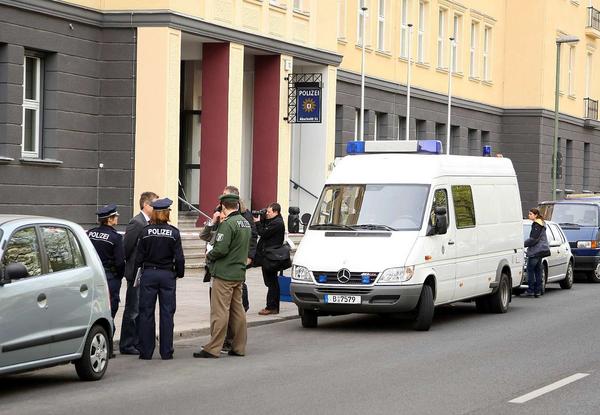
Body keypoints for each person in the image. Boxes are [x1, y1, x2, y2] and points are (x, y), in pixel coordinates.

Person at [194, 193, 251, 358]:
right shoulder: (245, 223)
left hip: (224, 273)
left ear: (223, 206)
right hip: (238, 273)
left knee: (220, 312)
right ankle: (239, 347)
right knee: (237, 311)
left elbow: (220, 249)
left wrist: (209, 256)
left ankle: (213, 348)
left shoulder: (229, 224)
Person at [135, 197, 185, 360]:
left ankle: (146, 351)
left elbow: (138, 258)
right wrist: (179, 273)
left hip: (149, 274)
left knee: (146, 313)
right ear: (166, 213)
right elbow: (179, 258)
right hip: (167, 275)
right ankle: (166, 351)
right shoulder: (173, 233)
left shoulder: (145, 232)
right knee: (167, 313)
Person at [120, 191, 158, 355]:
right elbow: (126, 248)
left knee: (142, 308)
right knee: (133, 309)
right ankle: (127, 344)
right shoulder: (137, 222)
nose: (156, 207)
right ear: (146, 205)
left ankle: (138, 341)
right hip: (135, 272)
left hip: (145, 273)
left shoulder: (150, 222)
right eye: (154, 204)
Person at [87, 204, 125, 319]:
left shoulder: (90, 233)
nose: (117, 218)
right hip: (109, 277)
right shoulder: (115, 238)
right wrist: (119, 276)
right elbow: (120, 262)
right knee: (110, 310)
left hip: (92, 276)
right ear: (109, 219)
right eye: (115, 216)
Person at [254, 202, 285, 315]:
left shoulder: (277, 223)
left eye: (269, 212)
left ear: (276, 212)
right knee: (271, 282)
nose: (267, 213)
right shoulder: (274, 220)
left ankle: (271, 307)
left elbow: (262, 232)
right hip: (268, 255)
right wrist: (263, 217)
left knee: (271, 282)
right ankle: (273, 306)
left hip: (271, 257)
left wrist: (257, 222)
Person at [523, 208, 550, 298]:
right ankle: (538, 290)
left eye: (530, 214)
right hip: (541, 250)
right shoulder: (541, 223)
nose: (529, 215)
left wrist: (523, 243)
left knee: (530, 270)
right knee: (538, 270)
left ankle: (531, 290)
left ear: (535, 215)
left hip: (536, 250)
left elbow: (534, 239)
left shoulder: (536, 224)